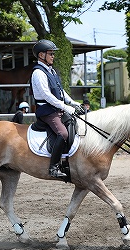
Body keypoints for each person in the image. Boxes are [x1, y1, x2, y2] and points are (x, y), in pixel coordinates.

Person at [31, 39, 82, 179]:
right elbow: (46, 95)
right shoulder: (38, 73)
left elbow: (60, 91)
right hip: (47, 112)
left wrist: (73, 103)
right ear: (41, 55)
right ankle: (53, 167)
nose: (53, 56)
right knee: (63, 133)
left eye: (53, 54)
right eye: (51, 54)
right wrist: (65, 107)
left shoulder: (51, 70)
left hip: (56, 109)